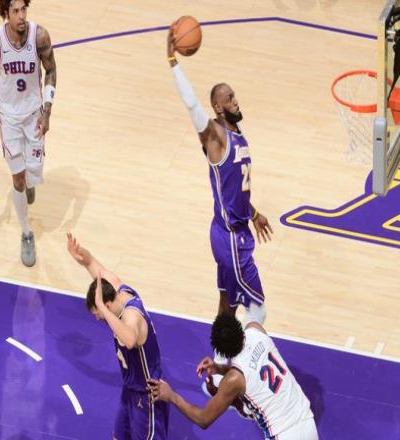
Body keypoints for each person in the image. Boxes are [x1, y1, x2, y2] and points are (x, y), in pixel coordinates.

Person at [166, 25, 273, 325]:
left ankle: (219, 353)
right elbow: (192, 105)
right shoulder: (217, 137)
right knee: (258, 310)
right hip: (230, 238)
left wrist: (254, 213)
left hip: (235, 231)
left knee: (227, 309)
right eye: (229, 98)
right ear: (218, 107)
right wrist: (173, 62)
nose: (235, 100)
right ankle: (247, 355)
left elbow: (235, 190)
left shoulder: (238, 137)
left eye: (234, 95)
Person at [0, 0, 57, 267]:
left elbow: (51, 70)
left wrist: (47, 111)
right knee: (18, 180)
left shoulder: (39, 35)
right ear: (6, 13)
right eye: (15, 11)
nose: (21, 16)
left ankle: (30, 181)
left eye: (24, 10)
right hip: (9, 116)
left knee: (33, 172)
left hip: (34, 114)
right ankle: (26, 233)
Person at [148, 314, 318, 439]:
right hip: (306, 420)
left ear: (222, 352)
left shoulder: (233, 380)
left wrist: (172, 396)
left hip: (283, 434)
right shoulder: (255, 329)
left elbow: (203, 419)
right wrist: (219, 368)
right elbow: (254, 366)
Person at [66, 233, 169, 440]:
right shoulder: (117, 290)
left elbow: (129, 340)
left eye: (99, 314)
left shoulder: (132, 316)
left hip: (147, 394)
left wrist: (103, 310)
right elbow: (97, 269)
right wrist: (84, 258)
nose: (99, 318)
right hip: (130, 389)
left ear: (107, 305)